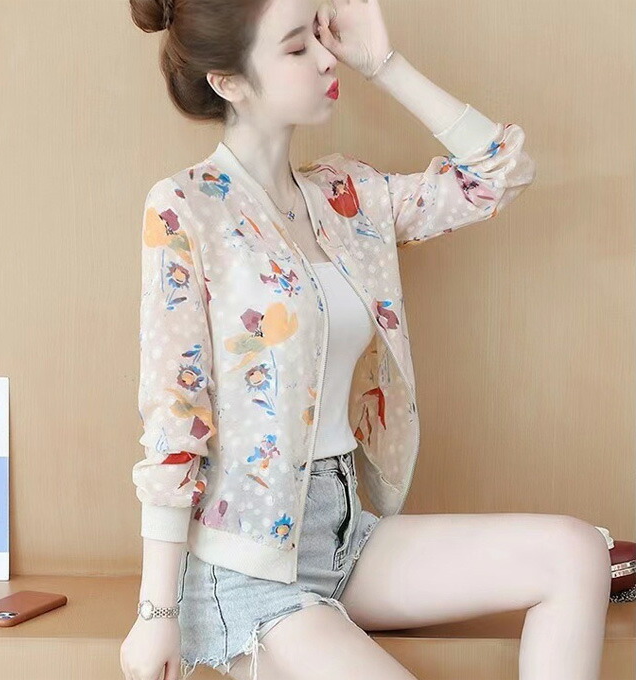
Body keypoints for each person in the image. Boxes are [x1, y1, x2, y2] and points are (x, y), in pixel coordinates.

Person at [120, 1, 611, 679]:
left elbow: (500, 174)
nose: (328, 59)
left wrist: (385, 64)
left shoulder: (347, 196)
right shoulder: (186, 207)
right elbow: (175, 418)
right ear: (229, 82)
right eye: (297, 48)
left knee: (576, 553)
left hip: (348, 533)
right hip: (247, 569)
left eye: (320, 39)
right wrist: (156, 613)